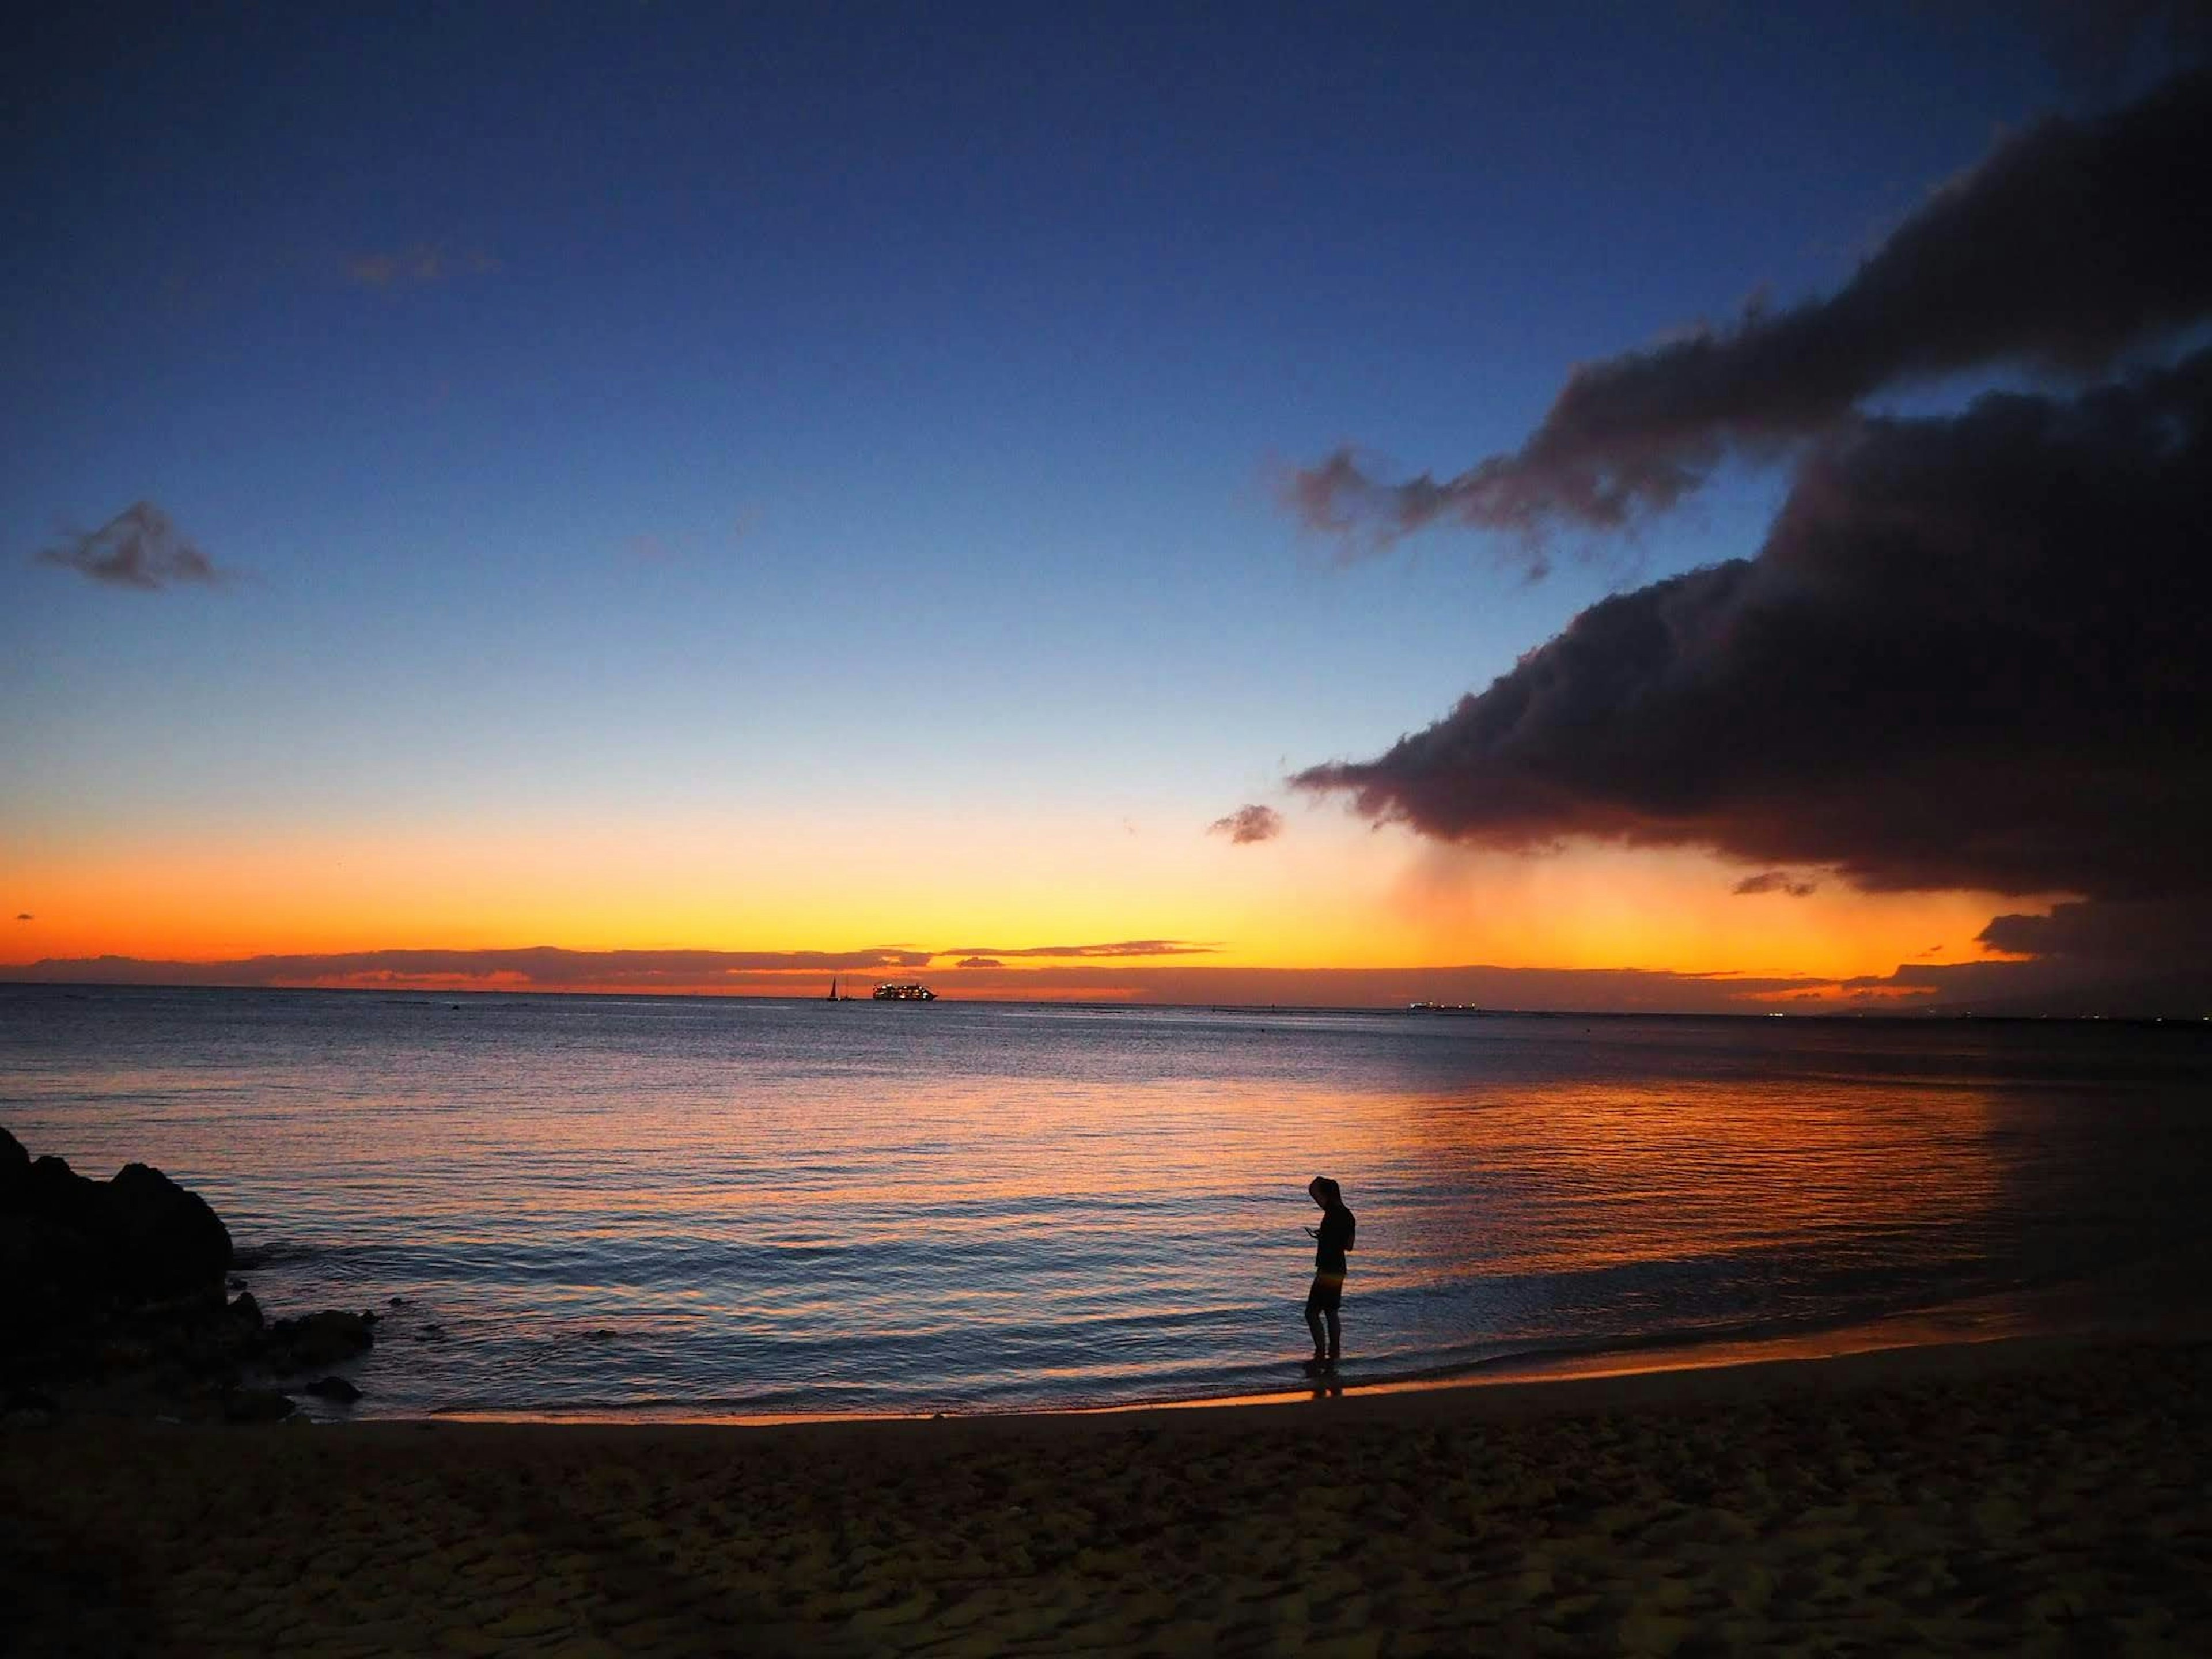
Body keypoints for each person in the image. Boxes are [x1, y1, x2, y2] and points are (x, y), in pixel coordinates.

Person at [1301, 1175, 1355, 1372]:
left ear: (1328, 1196)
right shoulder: (1349, 1215)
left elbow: (1312, 1188)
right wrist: (1330, 1237)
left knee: (1311, 1313)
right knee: (1332, 1312)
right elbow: (1349, 1246)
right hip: (1339, 1268)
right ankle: (1334, 1352)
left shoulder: (1331, 1211)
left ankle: (1320, 1351)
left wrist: (1321, 1179)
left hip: (1326, 1269)